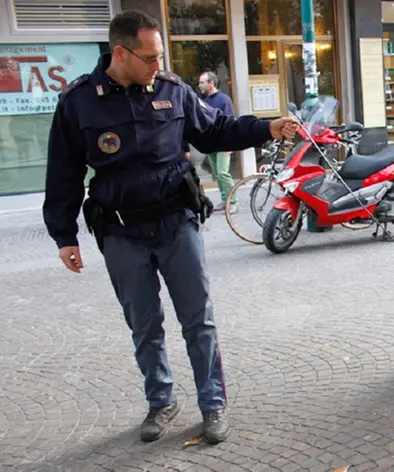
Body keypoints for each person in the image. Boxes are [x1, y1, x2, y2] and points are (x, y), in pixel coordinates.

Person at [42, 10, 297, 445]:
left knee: (199, 320)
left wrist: (266, 128)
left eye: (160, 56)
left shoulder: (172, 90)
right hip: (121, 232)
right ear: (120, 53)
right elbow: (62, 173)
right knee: (145, 325)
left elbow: (215, 131)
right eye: (150, 57)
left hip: (177, 223)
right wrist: (64, 235)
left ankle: (212, 403)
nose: (158, 65)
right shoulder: (78, 102)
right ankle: (161, 400)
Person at [198, 71, 237, 212]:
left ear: (211, 83)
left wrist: (230, 143)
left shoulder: (223, 100)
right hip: (211, 141)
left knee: (222, 173)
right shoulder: (204, 100)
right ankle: (224, 200)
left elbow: (229, 121)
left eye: (202, 82)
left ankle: (232, 201)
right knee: (217, 174)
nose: (199, 85)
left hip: (223, 142)